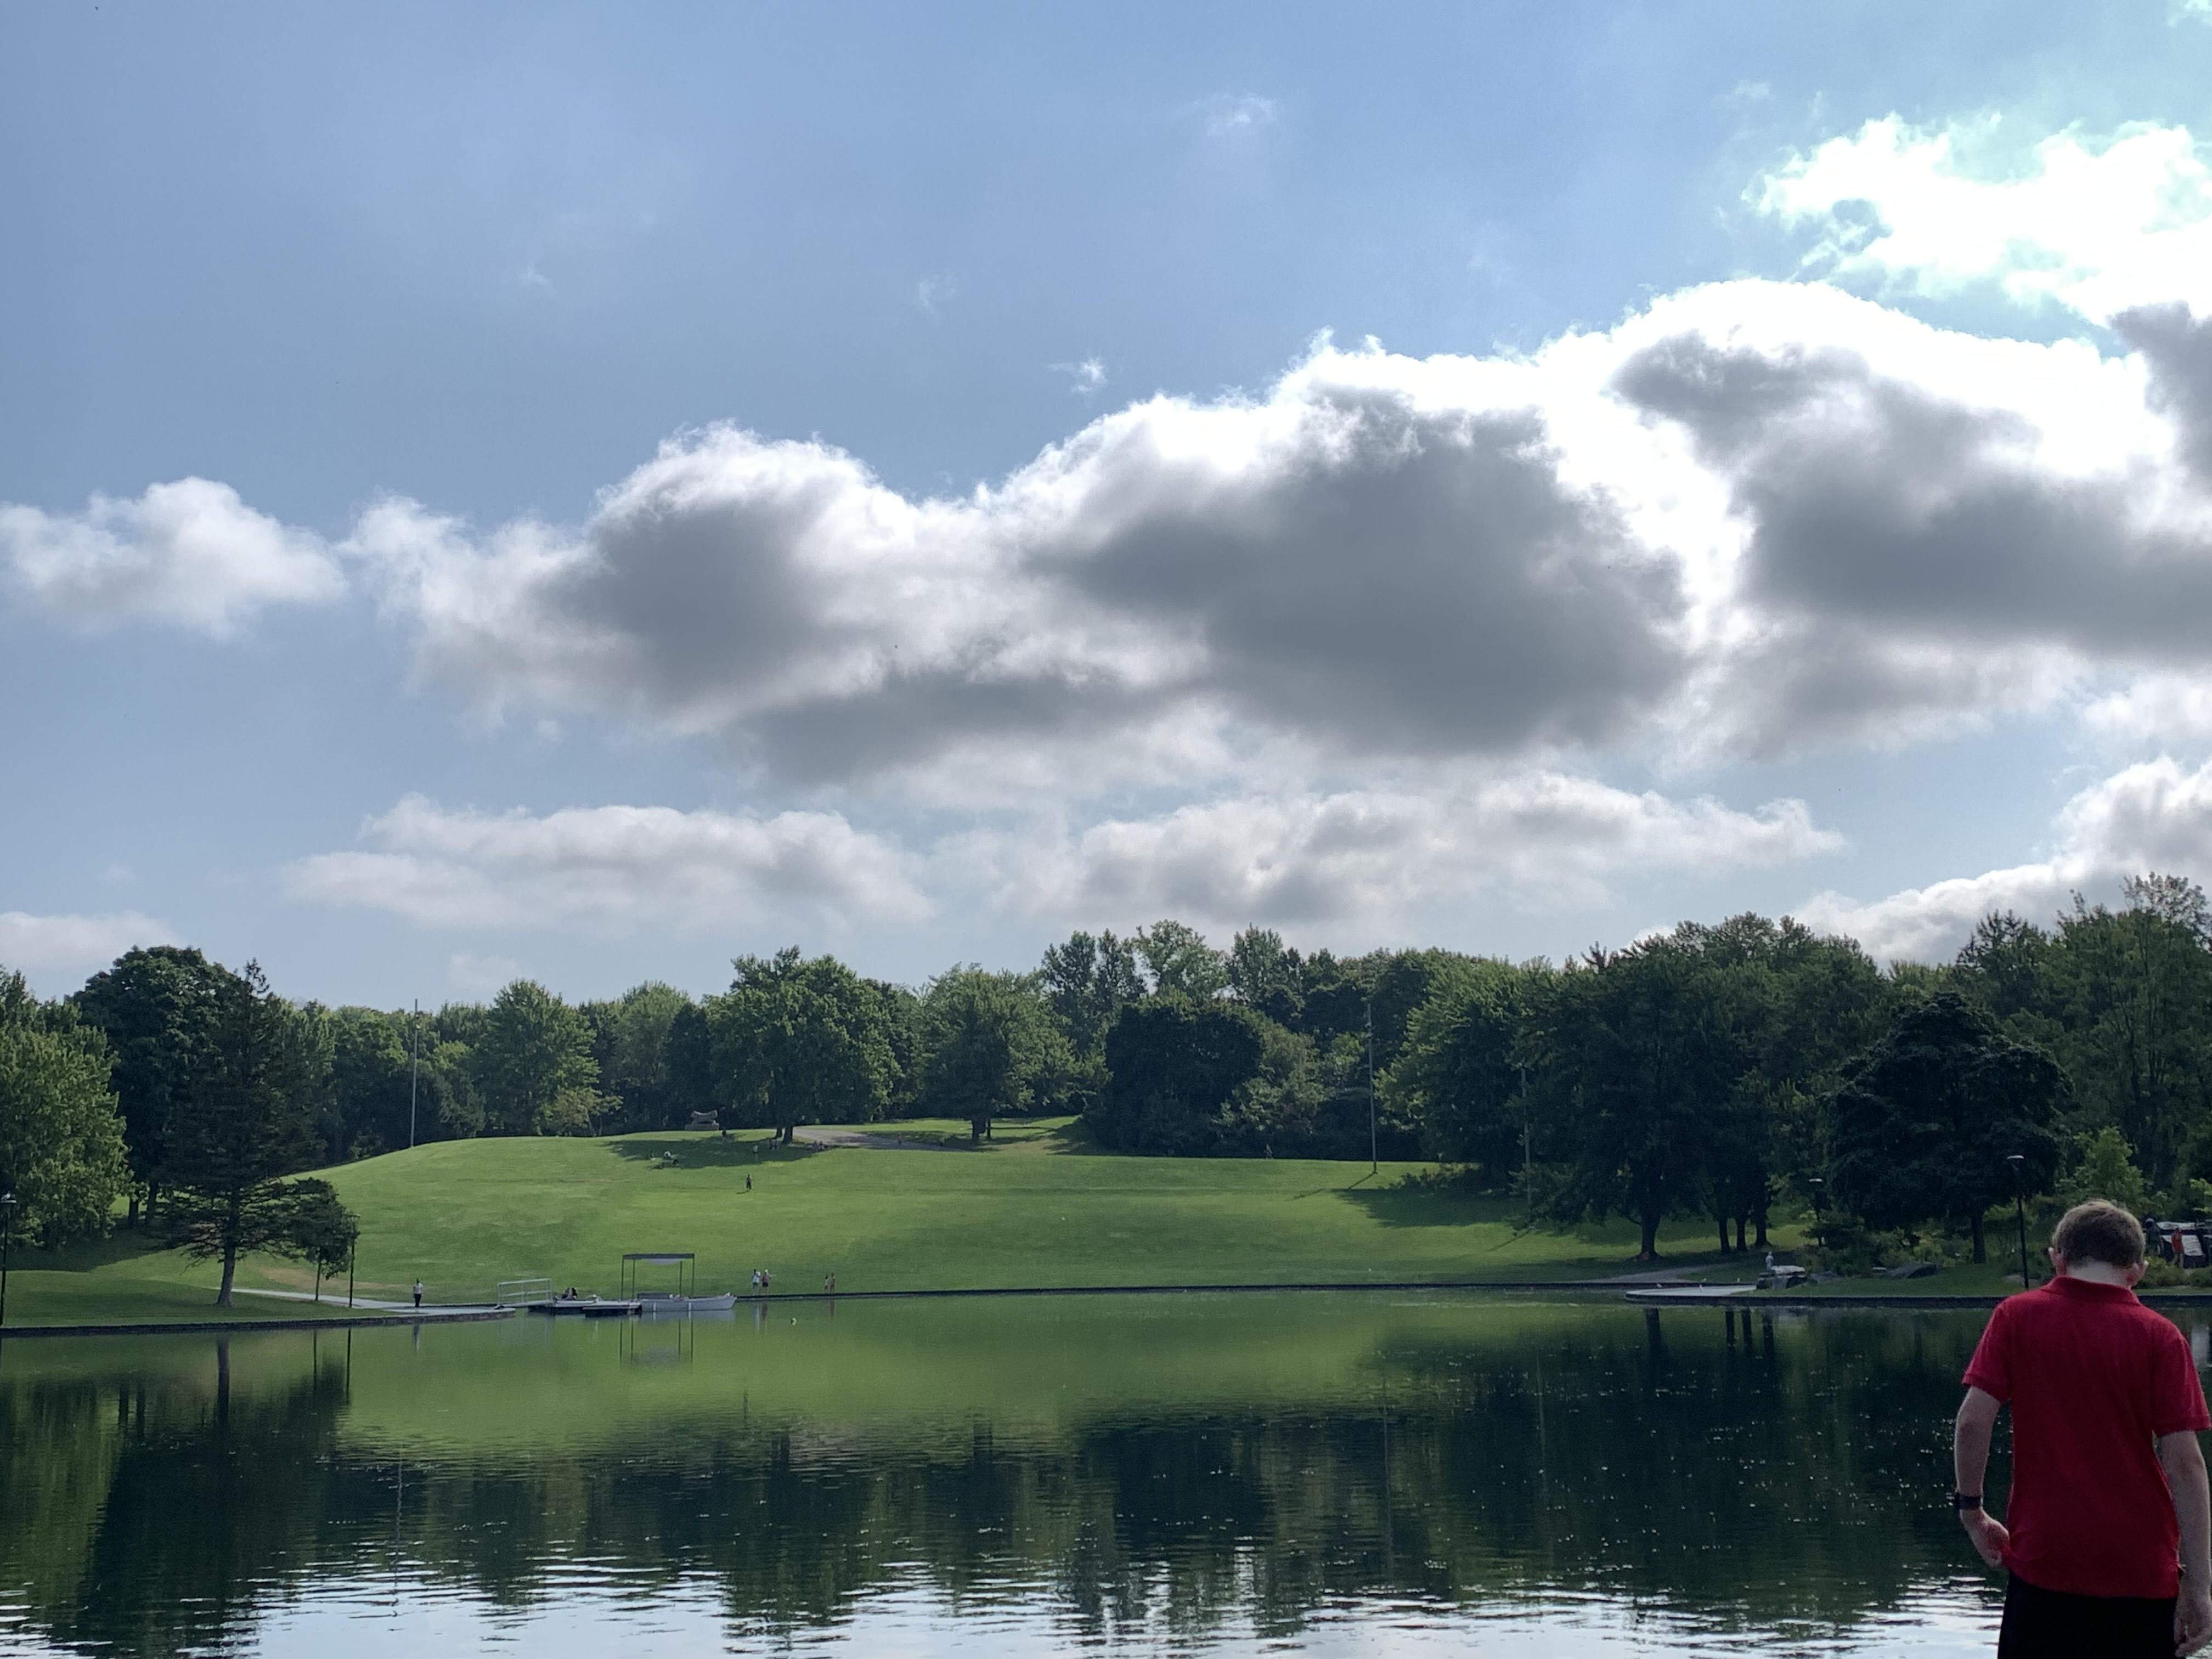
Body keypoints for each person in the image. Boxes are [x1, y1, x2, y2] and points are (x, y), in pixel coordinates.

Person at [1954, 1199, 2212, 1657]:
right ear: (2137, 1271)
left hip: (2045, 1565)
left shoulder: (2016, 1318)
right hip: (2141, 1572)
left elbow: (1974, 1420)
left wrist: (1972, 1511)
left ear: (2058, 1258)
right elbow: (2186, 1466)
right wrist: (2201, 1587)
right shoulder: (2160, 1337)